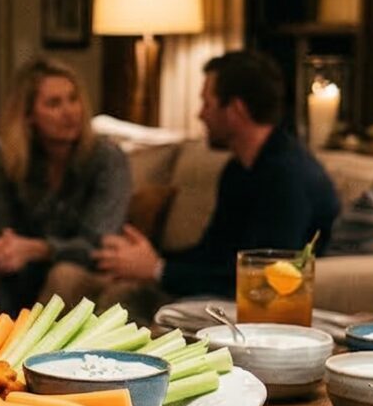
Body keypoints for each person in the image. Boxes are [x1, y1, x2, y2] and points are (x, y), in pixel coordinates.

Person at [95, 50, 338, 300]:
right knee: (122, 297)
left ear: (236, 110)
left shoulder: (287, 177)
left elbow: (266, 277)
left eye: (207, 103)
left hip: (270, 304)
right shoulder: (238, 170)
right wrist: (146, 260)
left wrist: (158, 270)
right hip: (228, 293)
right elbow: (211, 254)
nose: (200, 115)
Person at [0, 56, 128, 311]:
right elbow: (4, 228)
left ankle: (33, 350)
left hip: (90, 265)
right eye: (54, 103)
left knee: (64, 276)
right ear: (28, 116)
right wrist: (5, 249)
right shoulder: (12, 157)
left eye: (73, 99)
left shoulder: (107, 158)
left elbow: (97, 243)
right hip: (33, 267)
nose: (70, 112)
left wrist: (38, 249)